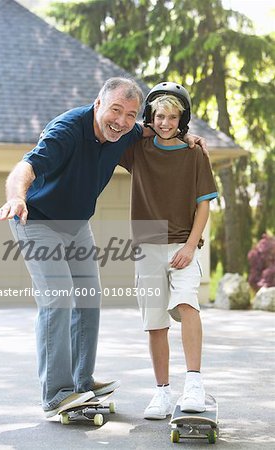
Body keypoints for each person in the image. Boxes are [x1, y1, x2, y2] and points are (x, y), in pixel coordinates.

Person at [0, 77, 207, 418]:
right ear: (98, 104)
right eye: (115, 111)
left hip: (76, 224)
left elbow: (157, 129)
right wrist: (16, 197)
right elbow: (27, 167)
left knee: (89, 296)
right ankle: (56, 393)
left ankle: (82, 380)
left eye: (130, 115)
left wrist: (188, 137)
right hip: (37, 221)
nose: (121, 121)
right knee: (59, 298)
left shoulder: (127, 131)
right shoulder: (67, 130)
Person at [119, 82, 218, 420]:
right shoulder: (137, 150)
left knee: (188, 304)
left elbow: (204, 206)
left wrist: (191, 246)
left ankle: (194, 384)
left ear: (182, 120)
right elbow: (112, 132)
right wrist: (143, 129)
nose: (165, 123)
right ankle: (162, 392)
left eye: (173, 118)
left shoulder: (194, 154)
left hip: (182, 243)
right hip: (147, 240)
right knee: (155, 321)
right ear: (151, 117)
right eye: (159, 116)